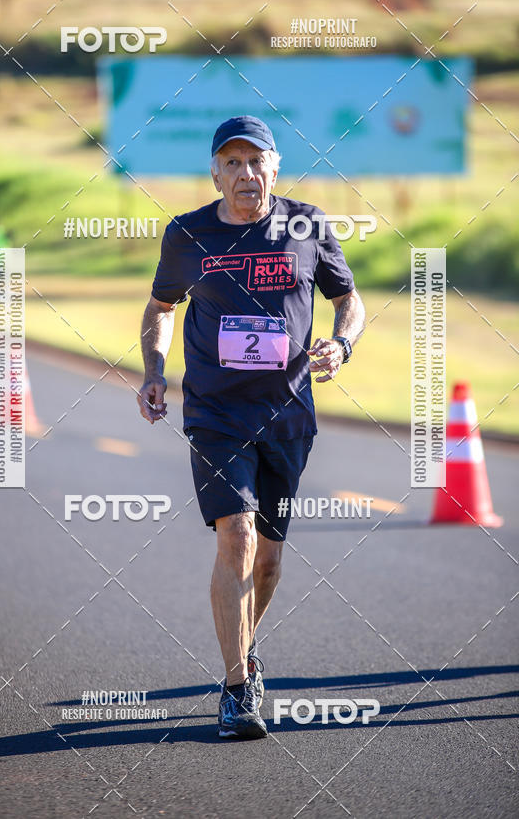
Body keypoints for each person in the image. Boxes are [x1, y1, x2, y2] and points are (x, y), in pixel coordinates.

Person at [137, 116, 365, 739]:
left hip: (288, 412)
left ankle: (246, 650)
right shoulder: (188, 234)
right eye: (231, 163)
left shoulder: (307, 225)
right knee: (234, 537)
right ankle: (237, 688)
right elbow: (160, 309)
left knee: (267, 563)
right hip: (215, 413)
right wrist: (154, 369)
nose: (245, 174)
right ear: (214, 172)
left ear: (275, 165)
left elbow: (349, 299)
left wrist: (342, 345)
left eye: (255, 161)